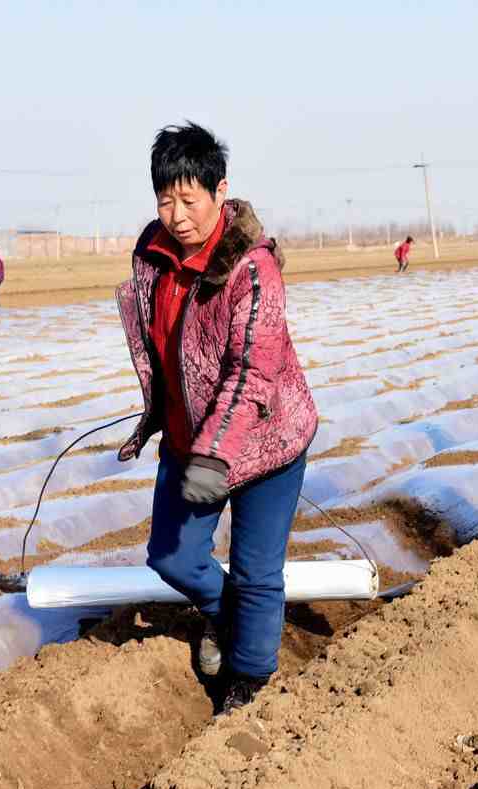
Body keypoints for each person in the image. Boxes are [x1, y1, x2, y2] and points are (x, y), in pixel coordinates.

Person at [116, 122, 318, 713]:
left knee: (258, 573)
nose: (176, 214)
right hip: (188, 441)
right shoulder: (151, 254)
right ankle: (223, 615)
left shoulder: (251, 269)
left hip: (265, 441)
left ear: (219, 191)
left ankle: (247, 687)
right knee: (171, 557)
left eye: (189, 198)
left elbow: (253, 371)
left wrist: (216, 452)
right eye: (165, 198)